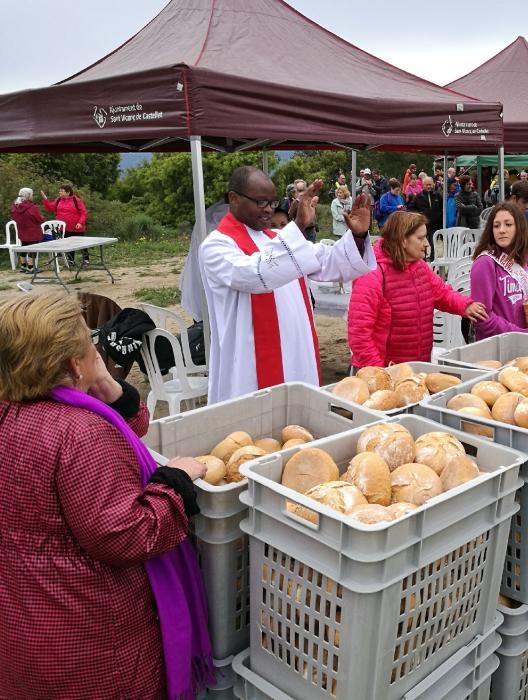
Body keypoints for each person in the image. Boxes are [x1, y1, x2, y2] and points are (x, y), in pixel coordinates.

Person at [0, 292, 213, 699]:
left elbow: (124, 429)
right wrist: (175, 484)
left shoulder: (15, 410)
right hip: (90, 638)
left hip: (23, 622)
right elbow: (126, 536)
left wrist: (110, 388)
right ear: (73, 362)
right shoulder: (80, 432)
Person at [199, 166, 375, 403]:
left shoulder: (276, 239)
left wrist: (358, 236)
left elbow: (330, 261)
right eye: (261, 203)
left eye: (272, 203)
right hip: (250, 362)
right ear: (234, 198)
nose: (269, 210)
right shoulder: (216, 246)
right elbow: (256, 273)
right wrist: (298, 227)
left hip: (295, 352)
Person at [347, 212, 485, 367]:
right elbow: (359, 334)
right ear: (403, 240)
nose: (426, 243)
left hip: (418, 366)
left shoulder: (420, 267)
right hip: (384, 371)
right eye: (420, 238)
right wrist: (378, 371)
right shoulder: (372, 275)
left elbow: (443, 293)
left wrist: (466, 306)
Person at [469, 202, 528, 340]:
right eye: (496, 226)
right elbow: (481, 316)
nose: (501, 230)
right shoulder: (485, 263)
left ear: (519, 228)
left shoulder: (525, 259)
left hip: (523, 340)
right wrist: (517, 333)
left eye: (508, 224)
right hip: (495, 345)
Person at [41, 183, 88, 266]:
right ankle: (71, 261)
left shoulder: (76, 200)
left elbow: (83, 213)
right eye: (59, 191)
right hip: (63, 228)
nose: (59, 193)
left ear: (68, 192)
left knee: (81, 243)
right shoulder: (59, 200)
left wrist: (80, 223)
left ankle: (86, 259)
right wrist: (45, 200)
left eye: (61, 191)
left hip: (76, 227)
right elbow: (51, 208)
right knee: (69, 244)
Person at [9, 187, 44, 272]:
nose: (32, 196)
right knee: (33, 248)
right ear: (28, 196)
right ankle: (31, 267)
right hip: (33, 230)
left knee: (24, 246)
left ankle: (23, 265)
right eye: (32, 194)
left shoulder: (15, 206)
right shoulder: (32, 207)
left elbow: (13, 217)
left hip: (22, 230)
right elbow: (40, 219)